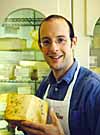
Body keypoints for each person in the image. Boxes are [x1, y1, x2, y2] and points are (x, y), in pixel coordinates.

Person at [15, 14, 100, 135]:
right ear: (40, 46)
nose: (53, 48)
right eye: (46, 42)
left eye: (60, 40)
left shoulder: (94, 89)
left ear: (73, 42)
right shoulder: (45, 85)